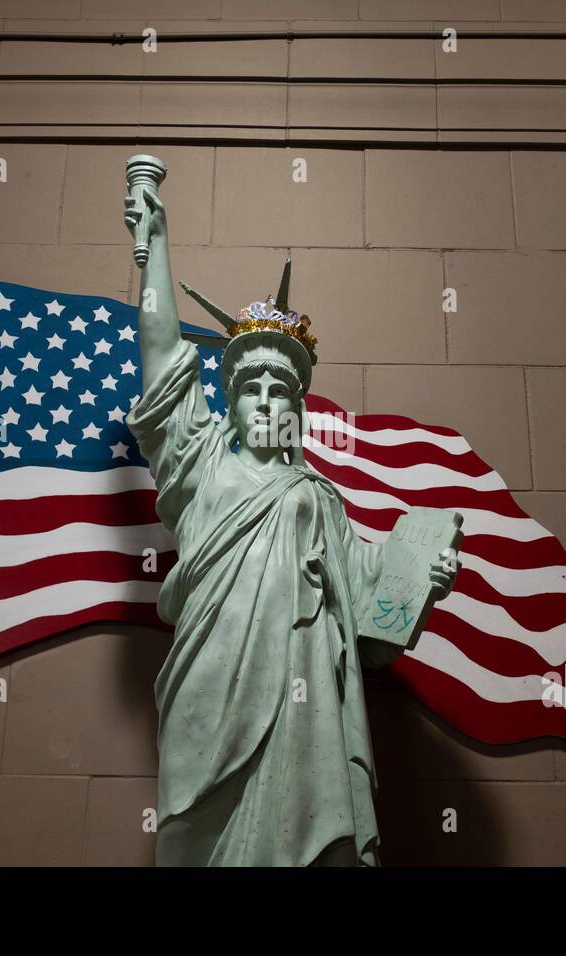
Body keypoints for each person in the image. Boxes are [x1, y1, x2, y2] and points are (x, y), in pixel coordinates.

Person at [123, 178, 458, 866]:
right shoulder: (202, 465)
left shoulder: (321, 499)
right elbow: (160, 358)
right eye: (252, 388)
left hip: (306, 692)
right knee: (196, 838)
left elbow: (371, 604)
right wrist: (154, 247)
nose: (268, 399)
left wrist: (427, 574)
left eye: (282, 388)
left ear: (298, 407)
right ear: (233, 402)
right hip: (211, 684)